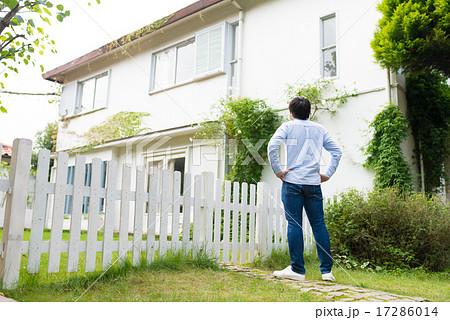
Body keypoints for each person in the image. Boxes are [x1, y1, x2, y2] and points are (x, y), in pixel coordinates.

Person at [267, 97, 342, 281]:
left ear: (291, 113)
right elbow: (337, 152)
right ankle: (327, 272)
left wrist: (278, 171)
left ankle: (297, 270)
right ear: (310, 112)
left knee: (294, 224)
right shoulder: (320, 129)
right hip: (313, 184)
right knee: (318, 224)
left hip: (292, 183)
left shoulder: (287, 127)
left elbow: (272, 146)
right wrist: (328, 174)